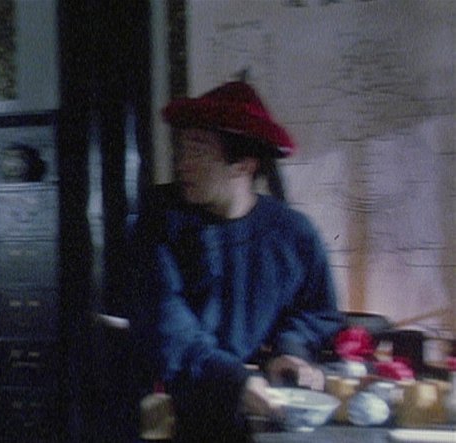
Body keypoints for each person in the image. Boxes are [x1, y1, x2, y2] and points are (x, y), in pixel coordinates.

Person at [127, 81, 344, 442]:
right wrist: (233, 381)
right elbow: (166, 323)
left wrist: (290, 351)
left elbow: (317, 312)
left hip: (264, 405)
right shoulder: (159, 222)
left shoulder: (293, 232)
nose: (182, 164)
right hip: (180, 406)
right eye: (182, 149)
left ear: (243, 164)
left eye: (198, 152)